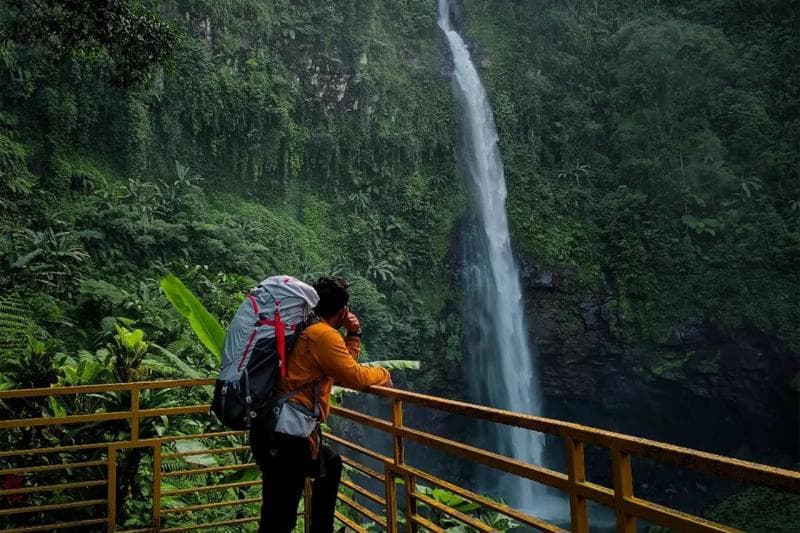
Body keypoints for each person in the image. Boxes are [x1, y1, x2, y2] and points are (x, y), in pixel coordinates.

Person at [250, 276, 392, 533]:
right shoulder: (322, 335)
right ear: (343, 309)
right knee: (280, 517)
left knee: (330, 465)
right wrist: (384, 375)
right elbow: (355, 377)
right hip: (287, 435)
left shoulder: (306, 327)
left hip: (275, 428)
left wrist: (353, 335)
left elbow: (339, 367)